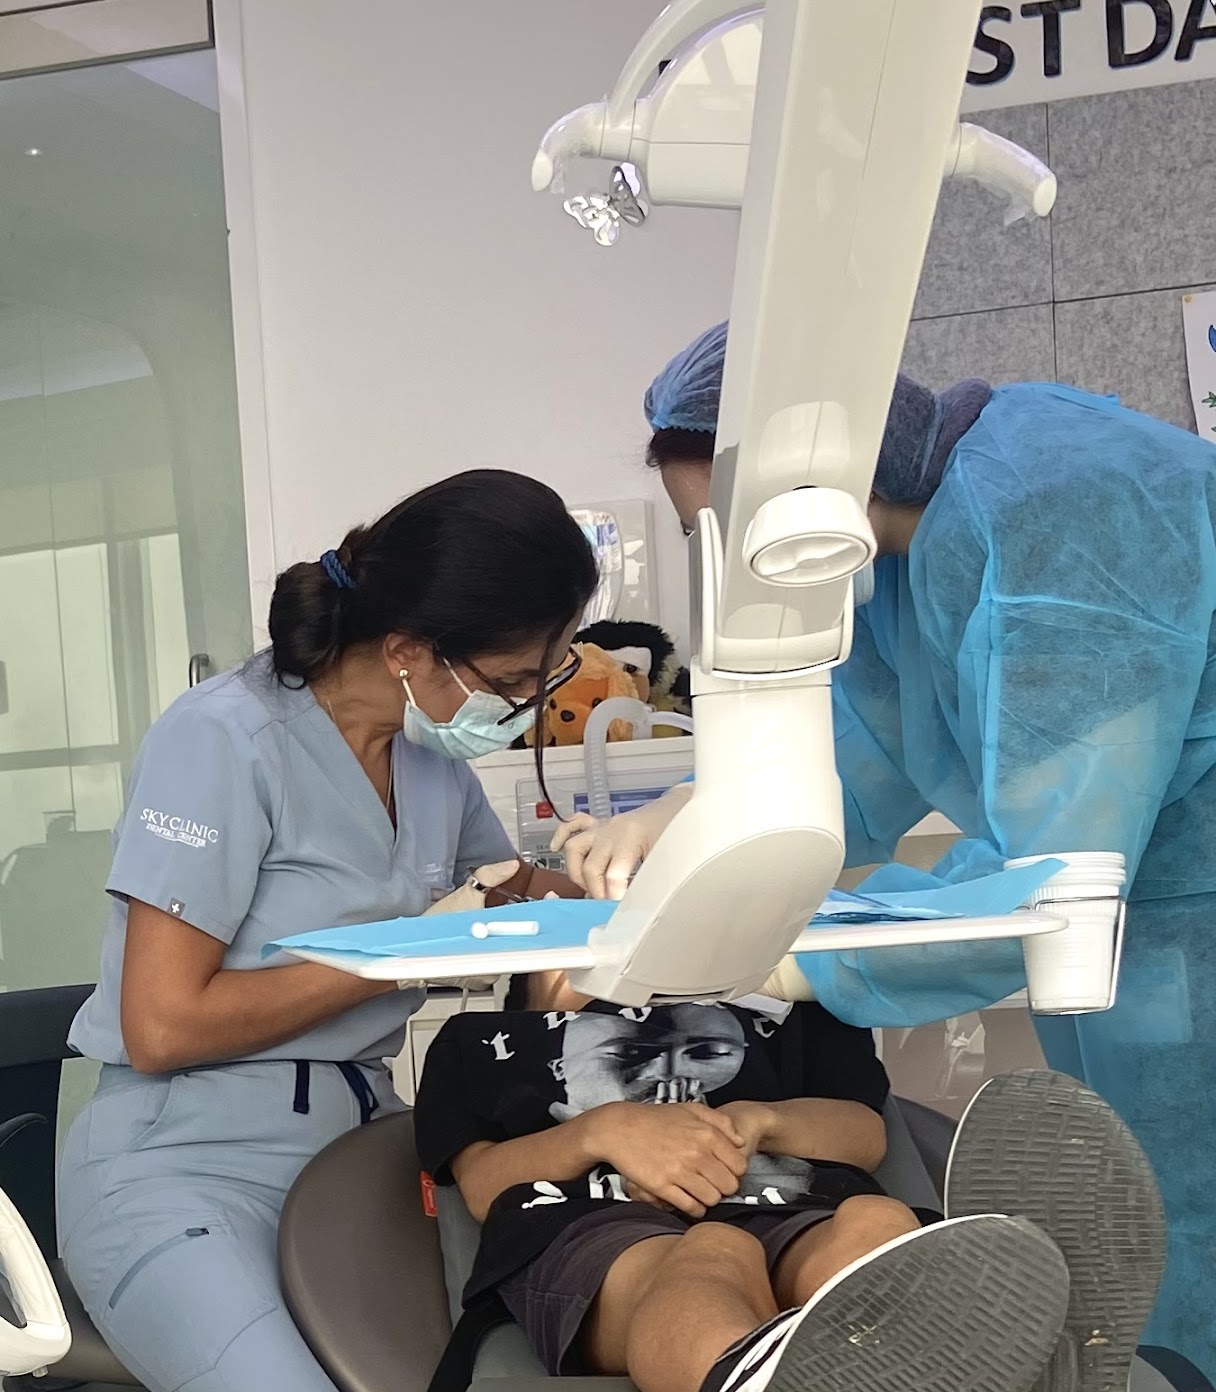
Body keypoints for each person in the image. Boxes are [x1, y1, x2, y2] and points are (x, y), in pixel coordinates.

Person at [553, 321, 1215, 1382]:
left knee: (1190, 1216)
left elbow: (1050, 885)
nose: (738, 576)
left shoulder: (1061, 512)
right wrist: (688, 810)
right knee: (1144, 1218)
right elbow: (854, 757)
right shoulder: (900, 561)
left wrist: (794, 963)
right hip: (1153, 940)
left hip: (1181, 914)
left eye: (728, 533)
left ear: (810, 477)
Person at [56, 470, 598, 1392]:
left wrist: (621, 872)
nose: (520, 707)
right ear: (408, 651)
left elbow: (511, 894)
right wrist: (403, 952)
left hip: (366, 1155)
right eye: (509, 682)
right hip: (185, 1165)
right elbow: (161, 1027)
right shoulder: (224, 740)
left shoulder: (430, 765)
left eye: (543, 679)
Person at [415, 968, 1163, 1392]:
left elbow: (866, 1133)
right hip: (598, 1224)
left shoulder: (787, 1004)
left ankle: (1031, 1349)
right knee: (712, 1253)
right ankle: (754, 1374)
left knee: (879, 1228)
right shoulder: (480, 1042)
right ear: (531, 985)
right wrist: (602, 1132)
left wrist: (761, 1121)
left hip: (796, 1196)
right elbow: (479, 1182)